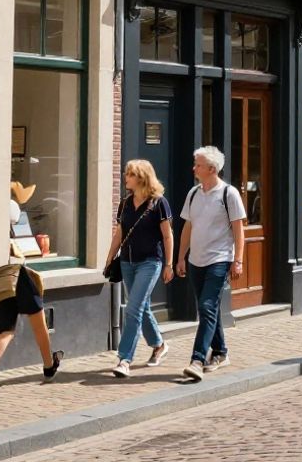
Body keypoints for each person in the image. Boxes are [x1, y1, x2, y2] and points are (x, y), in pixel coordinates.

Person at [176, 146, 247, 382]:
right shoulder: (194, 193)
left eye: (197, 164)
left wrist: (238, 260)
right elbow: (188, 226)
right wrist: (180, 257)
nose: (193, 168)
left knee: (206, 306)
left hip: (219, 258)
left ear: (211, 169)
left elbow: (239, 230)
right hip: (196, 260)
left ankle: (197, 359)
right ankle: (220, 352)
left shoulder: (229, 194)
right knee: (210, 308)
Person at [105, 160, 174, 378]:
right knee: (140, 307)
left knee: (133, 308)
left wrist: (169, 264)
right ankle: (159, 344)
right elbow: (119, 233)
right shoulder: (125, 203)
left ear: (142, 177)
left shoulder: (159, 203)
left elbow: (167, 235)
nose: (126, 177)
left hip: (150, 262)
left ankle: (124, 359)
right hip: (127, 262)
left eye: (130, 174)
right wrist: (109, 258)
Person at [0, 262, 62, 397]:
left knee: (5, 331)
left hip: (7, 276)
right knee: (39, 325)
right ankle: (49, 366)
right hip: (24, 274)